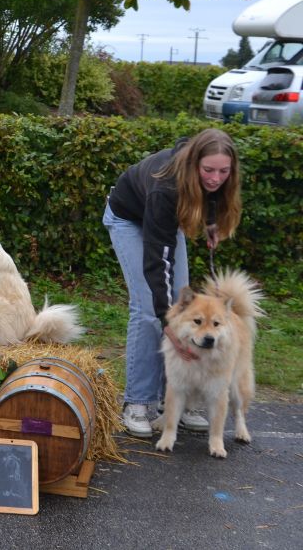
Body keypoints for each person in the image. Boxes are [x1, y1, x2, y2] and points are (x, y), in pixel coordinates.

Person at [103, 128, 242, 438]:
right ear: (194, 163)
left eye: (224, 171)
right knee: (150, 310)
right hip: (128, 219)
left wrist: (210, 223)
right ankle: (137, 403)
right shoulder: (166, 187)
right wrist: (167, 319)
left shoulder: (212, 178)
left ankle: (176, 404)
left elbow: (211, 195)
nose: (216, 178)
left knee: (184, 310)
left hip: (165, 222)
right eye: (209, 170)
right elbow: (158, 262)